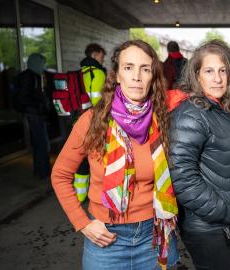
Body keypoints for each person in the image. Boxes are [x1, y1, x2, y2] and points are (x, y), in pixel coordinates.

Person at [51, 40, 179, 270]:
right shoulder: (92, 121)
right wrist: (83, 223)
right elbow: (60, 175)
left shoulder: (162, 117)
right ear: (117, 75)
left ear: (153, 77)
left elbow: (199, 92)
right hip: (106, 238)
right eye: (128, 67)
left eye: (145, 69)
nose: (137, 77)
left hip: (154, 234)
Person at [168, 39, 230, 270]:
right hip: (209, 226)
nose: (217, 78)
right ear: (197, 75)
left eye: (223, 71)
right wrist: (222, 212)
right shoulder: (191, 114)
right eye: (209, 71)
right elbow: (182, 176)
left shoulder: (226, 109)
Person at [74, 43, 108, 202]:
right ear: (95, 54)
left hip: (76, 120)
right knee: (96, 156)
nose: (103, 59)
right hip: (93, 121)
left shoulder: (79, 72)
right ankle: (96, 194)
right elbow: (99, 102)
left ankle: (79, 195)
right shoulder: (98, 72)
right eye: (101, 55)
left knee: (79, 157)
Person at [17, 53, 51, 180]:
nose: (44, 66)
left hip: (36, 113)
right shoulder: (29, 77)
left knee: (39, 143)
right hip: (34, 114)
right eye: (42, 63)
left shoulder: (35, 75)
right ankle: (44, 172)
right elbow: (23, 97)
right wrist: (39, 104)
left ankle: (40, 170)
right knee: (42, 144)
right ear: (36, 63)